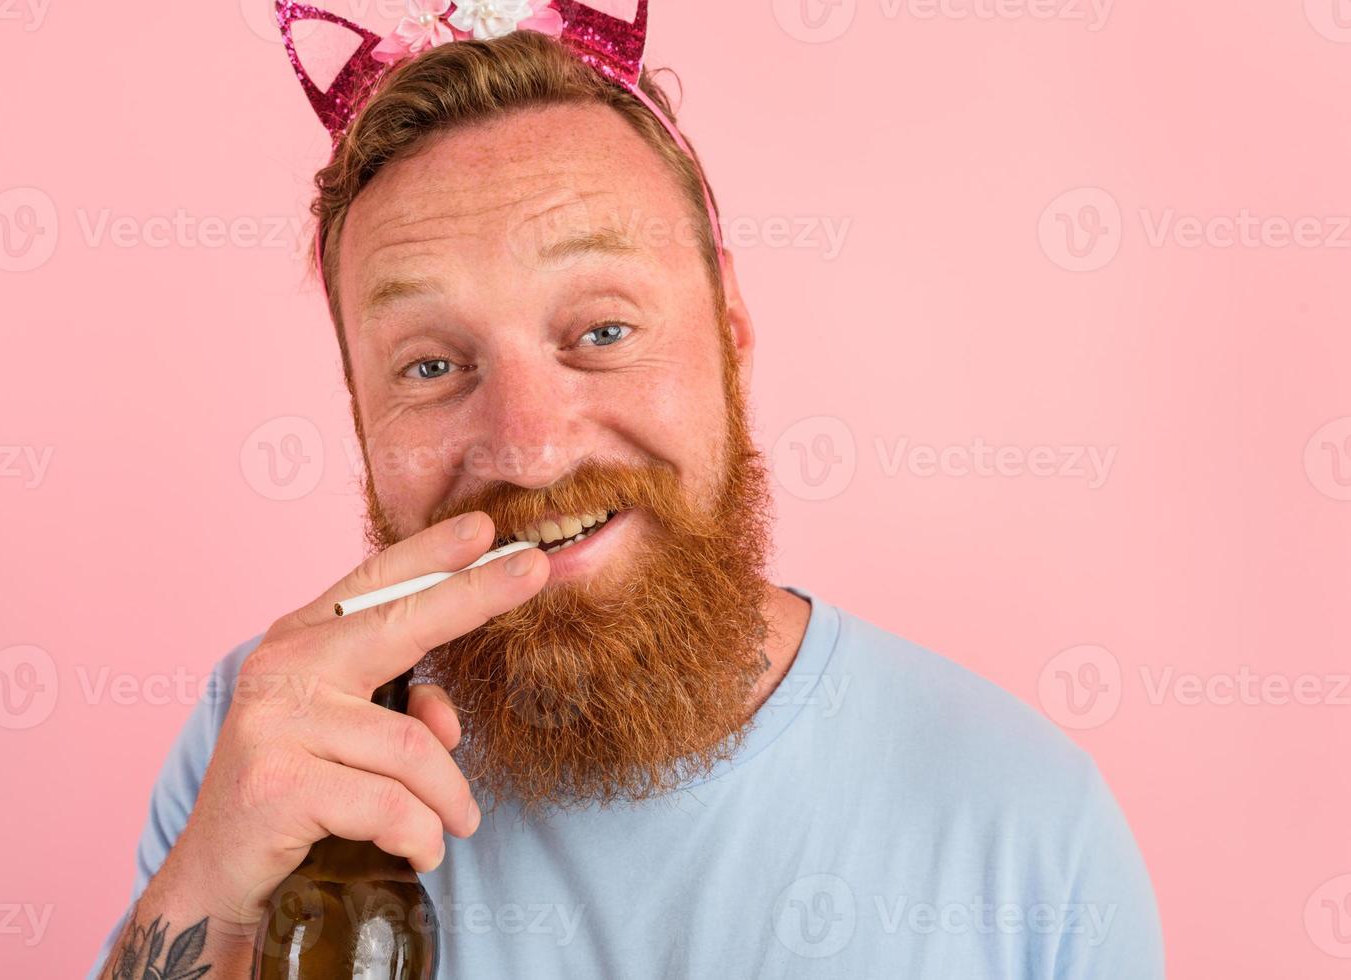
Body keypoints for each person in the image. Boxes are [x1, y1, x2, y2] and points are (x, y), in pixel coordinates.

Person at [91, 3, 1164, 976]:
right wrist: (202, 884)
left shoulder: (1025, 823)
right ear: (357, 409)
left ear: (730, 336)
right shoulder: (276, 738)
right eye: (429, 364)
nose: (531, 448)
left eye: (601, 330)